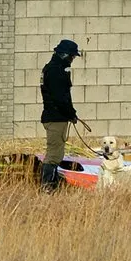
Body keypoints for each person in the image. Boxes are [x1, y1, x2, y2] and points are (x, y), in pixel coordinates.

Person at [40, 40, 80, 188]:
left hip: (55, 117)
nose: (72, 60)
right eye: (72, 57)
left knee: (56, 154)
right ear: (64, 55)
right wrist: (71, 113)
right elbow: (60, 98)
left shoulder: (51, 68)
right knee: (54, 155)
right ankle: (47, 187)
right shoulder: (56, 71)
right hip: (56, 118)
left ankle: (53, 184)